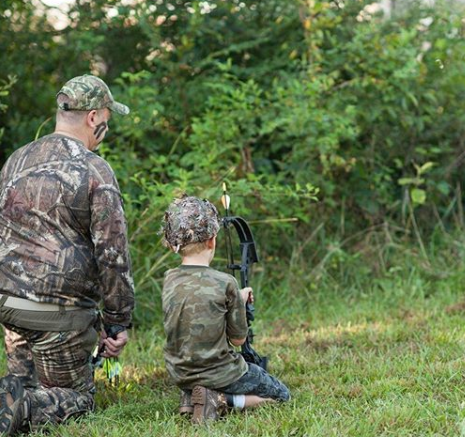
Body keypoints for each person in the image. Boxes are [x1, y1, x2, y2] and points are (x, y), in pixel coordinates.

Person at [0, 74, 135, 434]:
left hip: (9, 308)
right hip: (58, 319)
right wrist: (119, 320)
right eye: (106, 116)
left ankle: (18, 394)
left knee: (23, 387)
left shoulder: (16, 160)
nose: (107, 124)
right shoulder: (94, 169)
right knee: (77, 399)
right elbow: (112, 254)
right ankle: (22, 406)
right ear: (93, 117)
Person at [161, 195, 290, 424]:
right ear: (212, 240)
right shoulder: (225, 282)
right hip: (220, 372)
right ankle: (219, 399)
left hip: (179, 371)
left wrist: (234, 300)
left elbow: (197, 305)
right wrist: (238, 302)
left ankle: (190, 394)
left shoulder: (169, 279)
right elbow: (238, 340)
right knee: (281, 395)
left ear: (173, 244)